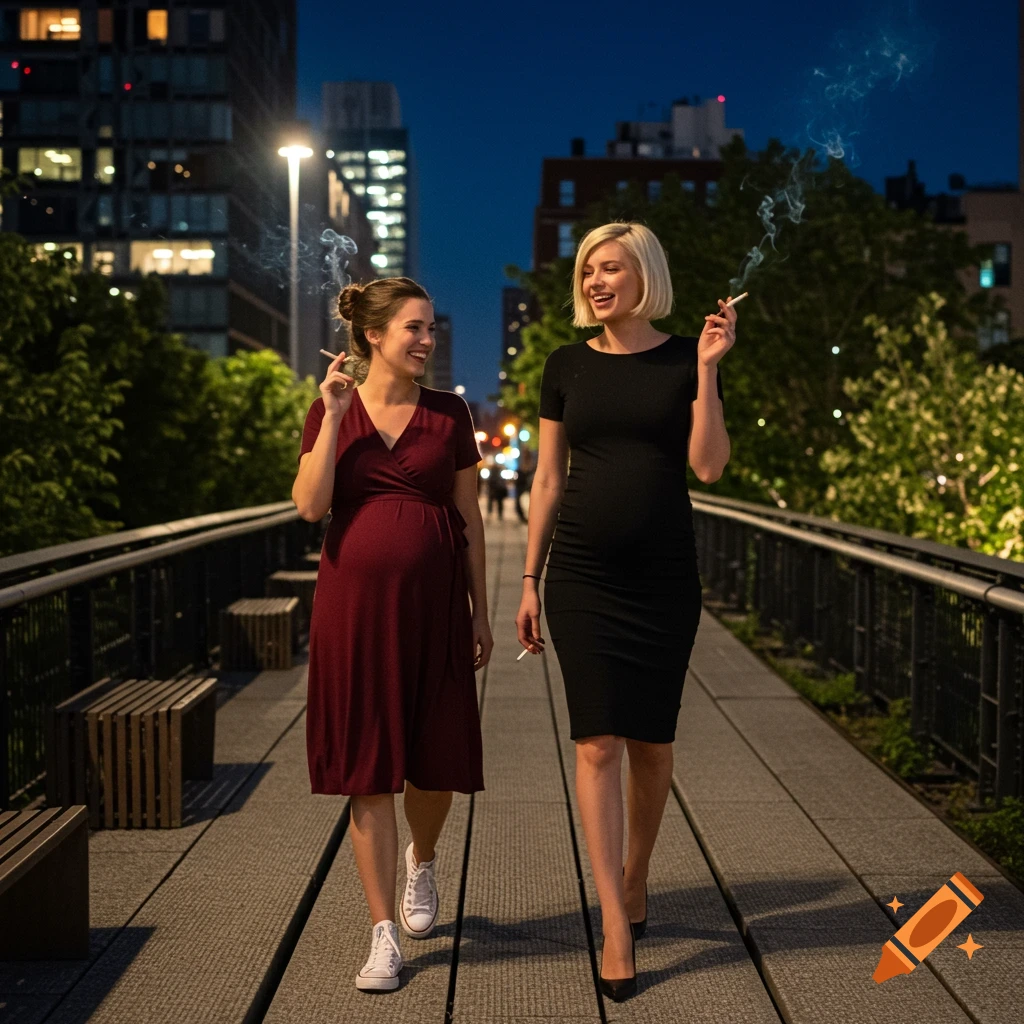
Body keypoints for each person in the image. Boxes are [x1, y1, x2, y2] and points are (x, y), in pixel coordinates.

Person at [515, 222, 733, 1002]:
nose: (597, 280)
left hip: (665, 576)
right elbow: (546, 480)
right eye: (588, 270)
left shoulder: (684, 358)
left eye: (612, 268)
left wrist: (707, 374)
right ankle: (613, 919)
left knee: (652, 745)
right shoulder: (565, 365)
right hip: (581, 575)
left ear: (644, 275)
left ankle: (637, 874)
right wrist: (529, 576)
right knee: (597, 742)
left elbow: (707, 466)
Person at [292, 277, 491, 994]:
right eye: (414, 328)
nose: (427, 339)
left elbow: (468, 522)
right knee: (367, 767)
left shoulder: (448, 413)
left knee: (433, 763)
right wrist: (331, 410)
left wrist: (482, 612)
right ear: (374, 335)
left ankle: (423, 860)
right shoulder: (333, 408)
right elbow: (311, 505)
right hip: (353, 608)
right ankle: (383, 935)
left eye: (432, 327)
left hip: (436, 606)